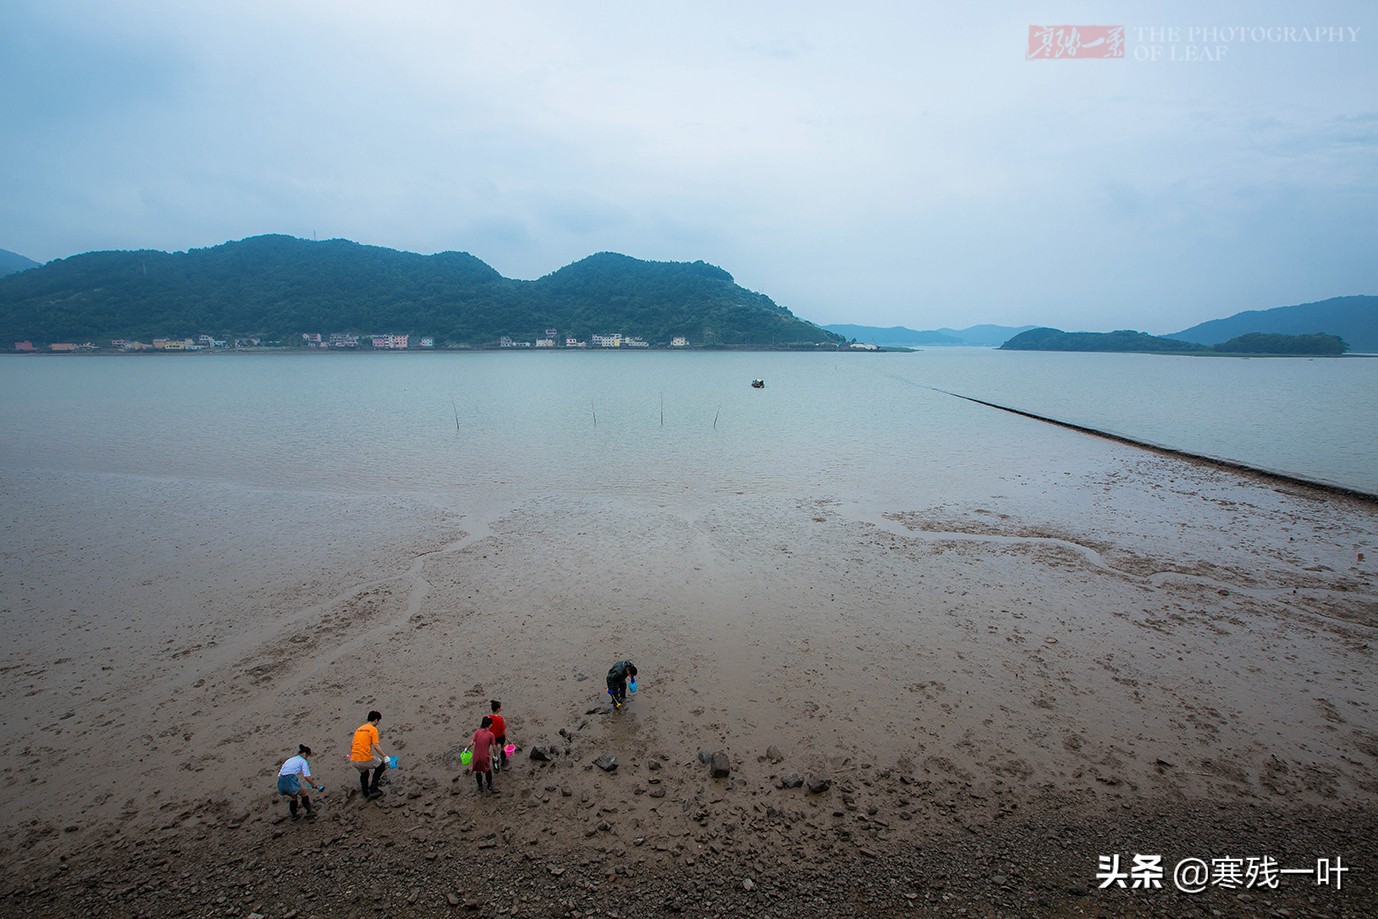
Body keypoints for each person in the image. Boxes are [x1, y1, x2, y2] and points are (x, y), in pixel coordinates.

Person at [350, 710, 389, 799]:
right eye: (379, 720)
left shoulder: (359, 729)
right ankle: (373, 789)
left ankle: (365, 791)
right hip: (364, 757)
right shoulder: (373, 729)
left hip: (354, 759)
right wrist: (384, 756)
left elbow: (352, 745)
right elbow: (376, 746)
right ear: (376, 720)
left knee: (364, 773)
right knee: (380, 766)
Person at [277, 744, 322, 820]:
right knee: (304, 793)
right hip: (289, 779)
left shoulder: (290, 759)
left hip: (281, 780)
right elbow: (306, 776)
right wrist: (314, 785)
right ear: (305, 754)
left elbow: (280, 773)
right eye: (307, 756)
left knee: (293, 796)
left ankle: (294, 815)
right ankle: (309, 811)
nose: (307, 758)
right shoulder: (303, 761)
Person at [471, 716, 497, 793]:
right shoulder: (491, 735)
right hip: (484, 756)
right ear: (489, 725)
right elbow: (494, 747)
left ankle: (480, 786)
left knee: (478, 771)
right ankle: (489, 785)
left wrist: (466, 750)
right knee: (487, 770)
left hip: (476, 756)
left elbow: (472, 743)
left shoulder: (477, 732)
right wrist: (495, 756)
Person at [488, 700, 509, 772]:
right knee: (503, 748)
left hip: (493, 737)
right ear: (497, 709)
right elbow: (503, 729)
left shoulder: (489, 717)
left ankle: (496, 766)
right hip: (501, 736)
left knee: (495, 751)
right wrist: (507, 738)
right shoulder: (500, 718)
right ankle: (503, 762)